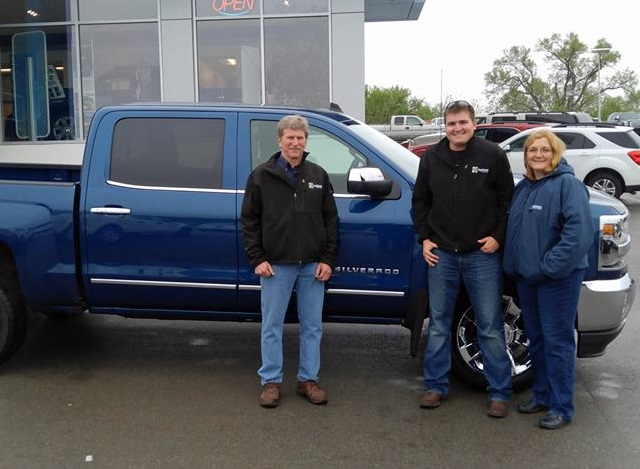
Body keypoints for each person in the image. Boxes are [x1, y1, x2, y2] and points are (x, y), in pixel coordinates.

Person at [411, 100, 514, 418]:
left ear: (473, 124)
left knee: (490, 326)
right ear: (445, 126)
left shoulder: (492, 155)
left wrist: (497, 236)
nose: (457, 128)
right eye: (452, 123)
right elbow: (420, 202)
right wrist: (425, 238)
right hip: (441, 256)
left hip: (480, 257)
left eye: (463, 123)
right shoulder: (432, 158)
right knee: (439, 326)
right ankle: (435, 387)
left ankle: (499, 392)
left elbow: (505, 201)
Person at [241, 114, 338, 408]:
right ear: (280, 140)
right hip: (275, 265)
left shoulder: (318, 176)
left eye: (300, 138)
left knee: (312, 326)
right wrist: (257, 258)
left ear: (306, 141)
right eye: (290, 137)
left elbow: (331, 221)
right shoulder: (261, 176)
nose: (295, 142)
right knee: (272, 325)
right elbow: (249, 221)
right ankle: (270, 381)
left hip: (312, 265)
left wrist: (327, 259)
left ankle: (308, 379)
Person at [503, 129, 592, 429]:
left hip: (557, 279)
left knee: (558, 342)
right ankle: (541, 394)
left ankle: (561, 406)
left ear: (556, 153)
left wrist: (548, 266)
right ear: (526, 155)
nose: (538, 155)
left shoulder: (568, 186)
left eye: (545, 150)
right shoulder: (525, 187)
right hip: (528, 278)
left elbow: (578, 236)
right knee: (538, 340)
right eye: (532, 150)